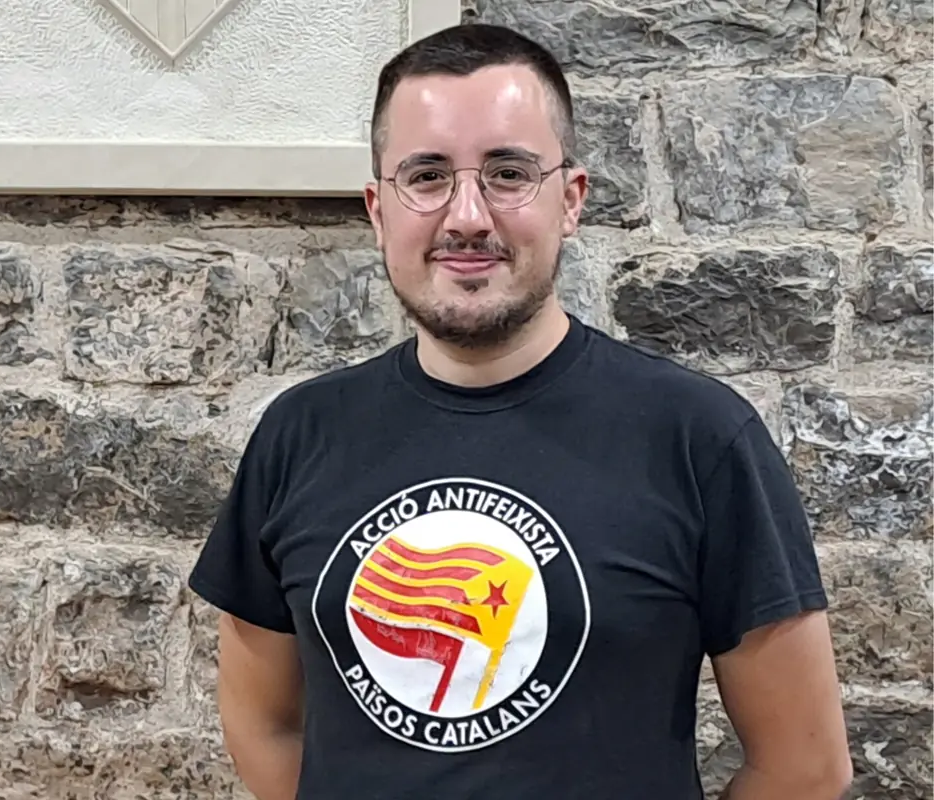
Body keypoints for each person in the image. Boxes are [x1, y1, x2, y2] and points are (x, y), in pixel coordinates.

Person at [187, 22, 852, 800]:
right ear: (378, 209)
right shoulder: (300, 434)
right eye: (427, 176)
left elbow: (804, 767)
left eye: (508, 172)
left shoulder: (699, 437)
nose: (467, 215)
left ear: (570, 199)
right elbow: (263, 725)